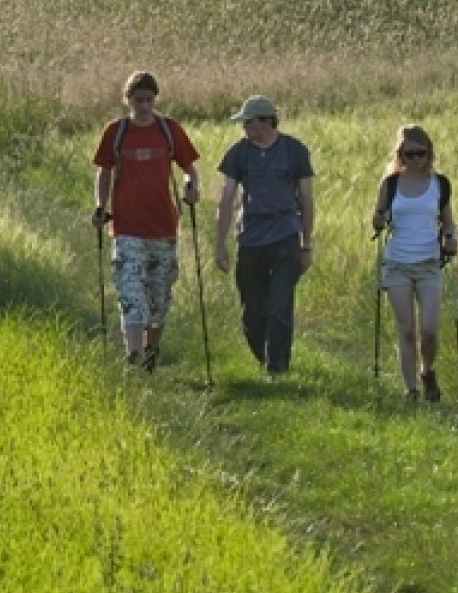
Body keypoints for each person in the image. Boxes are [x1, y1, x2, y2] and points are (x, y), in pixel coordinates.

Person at [92, 72, 201, 372]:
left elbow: (189, 167)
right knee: (131, 293)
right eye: (138, 100)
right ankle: (134, 356)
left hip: (163, 228)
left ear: (155, 100)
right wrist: (101, 206)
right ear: (128, 100)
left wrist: (192, 187)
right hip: (126, 229)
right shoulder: (116, 131)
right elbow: (104, 171)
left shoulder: (169, 130)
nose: (144, 106)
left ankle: (151, 353)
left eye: (149, 100)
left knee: (159, 297)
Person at [213, 94, 314, 376]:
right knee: (252, 312)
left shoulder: (295, 151)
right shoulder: (238, 153)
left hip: (285, 236)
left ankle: (277, 368)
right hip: (250, 239)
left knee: (280, 306)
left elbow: (306, 199)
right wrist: (220, 245)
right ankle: (263, 355)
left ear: (265, 121)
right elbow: (227, 198)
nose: (244, 127)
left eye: (248, 121)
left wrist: (307, 245)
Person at [370, 124, 458, 401]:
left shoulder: (439, 184)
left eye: (421, 154)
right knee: (407, 330)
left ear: (429, 153)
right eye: (409, 155)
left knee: (430, 331)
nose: (416, 160)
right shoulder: (391, 184)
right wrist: (378, 220)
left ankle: (427, 371)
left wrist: (450, 237)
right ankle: (410, 391)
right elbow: (378, 216)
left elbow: (447, 221)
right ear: (401, 155)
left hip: (430, 264)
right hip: (397, 264)